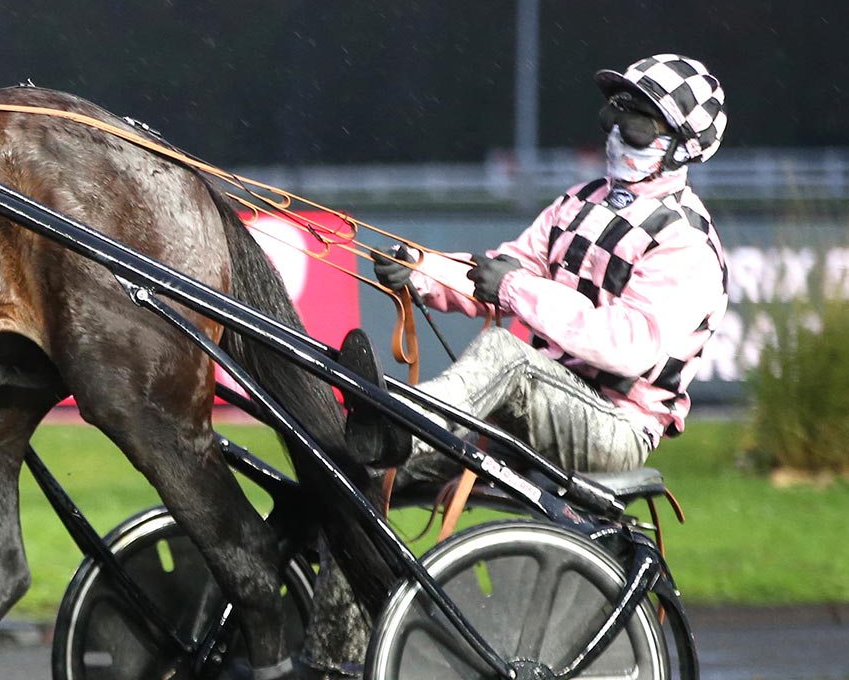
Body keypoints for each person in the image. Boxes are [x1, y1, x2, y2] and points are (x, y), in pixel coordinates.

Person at [292, 54, 731, 679]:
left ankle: (400, 419)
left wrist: (519, 291)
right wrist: (423, 270)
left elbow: (629, 345)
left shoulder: (687, 244)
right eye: (617, 114)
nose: (616, 130)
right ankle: (332, 665)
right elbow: (498, 270)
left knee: (508, 356)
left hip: (613, 425)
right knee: (363, 473)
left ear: (679, 148)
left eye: (637, 124)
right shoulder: (579, 202)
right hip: (531, 410)